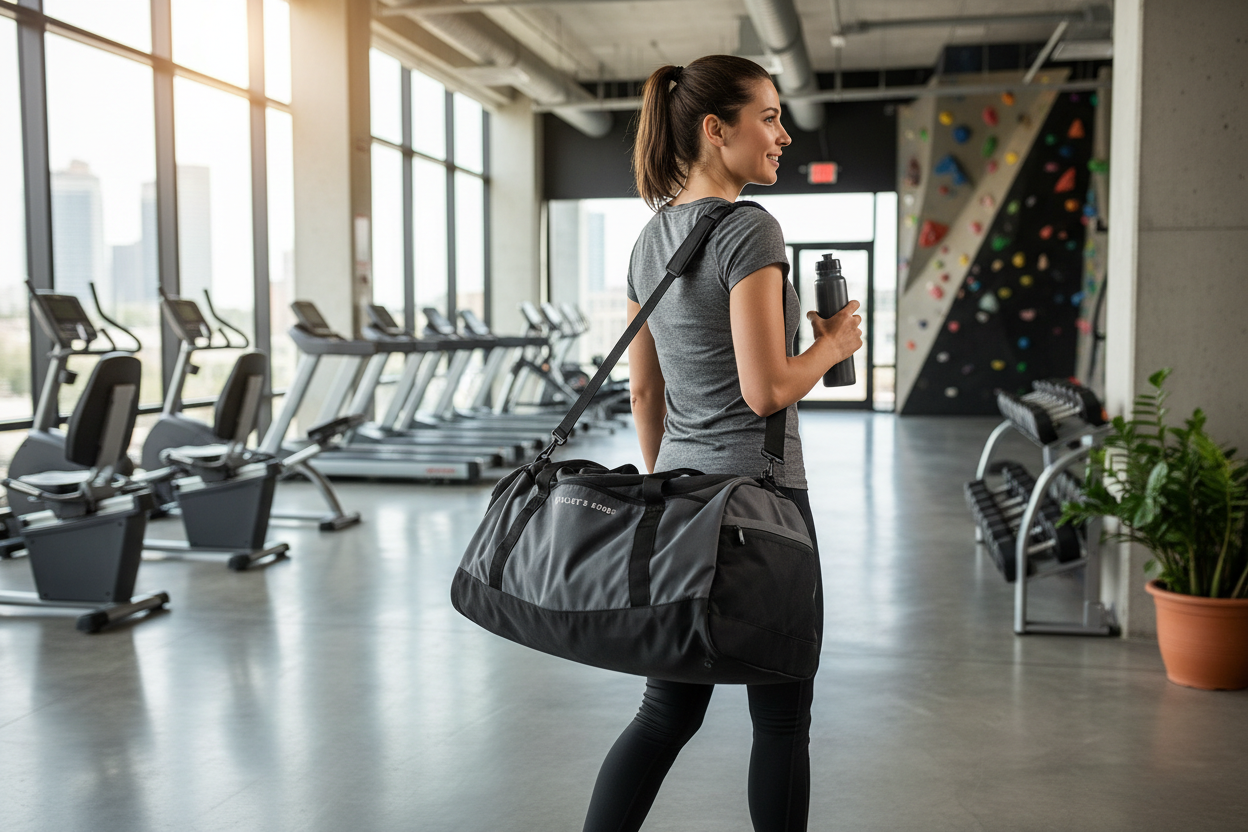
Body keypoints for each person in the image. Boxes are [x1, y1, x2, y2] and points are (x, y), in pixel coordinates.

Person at [580, 56, 864, 832]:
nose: (784, 134)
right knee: (781, 719)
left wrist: (673, 483)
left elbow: (645, 394)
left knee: (664, 713)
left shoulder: (650, 240)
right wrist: (833, 346)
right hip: (764, 501)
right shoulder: (748, 229)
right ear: (716, 129)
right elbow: (766, 389)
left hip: (680, 496)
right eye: (768, 117)